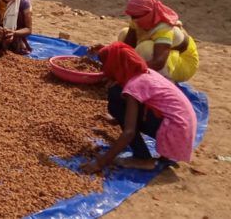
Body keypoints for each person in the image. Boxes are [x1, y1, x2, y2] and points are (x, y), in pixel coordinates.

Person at [81, 42, 197, 173]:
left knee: (115, 97)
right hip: (184, 131)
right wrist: (116, 120)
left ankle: (143, 158)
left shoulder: (134, 85)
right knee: (118, 95)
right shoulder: (146, 73)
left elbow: (129, 132)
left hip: (176, 132)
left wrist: (101, 162)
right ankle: (165, 155)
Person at [118, 0, 198, 83]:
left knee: (145, 48)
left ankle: (163, 82)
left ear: (148, 13)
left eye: (136, 17)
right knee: (123, 33)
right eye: (132, 16)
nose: (133, 20)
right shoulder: (138, 18)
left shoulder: (163, 27)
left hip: (183, 63)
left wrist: (132, 69)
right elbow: (127, 46)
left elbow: (159, 62)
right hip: (166, 52)